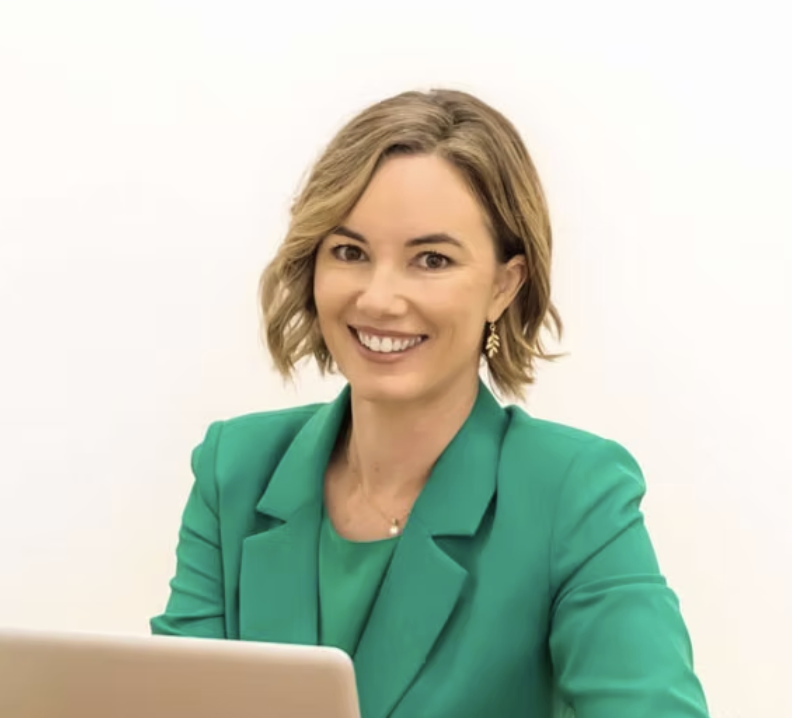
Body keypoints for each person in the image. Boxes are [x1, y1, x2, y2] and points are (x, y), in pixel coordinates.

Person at [150, 89, 710, 718]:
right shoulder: (234, 469)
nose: (379, 298)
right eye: (350, 252)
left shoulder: (574, 493)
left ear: (504, 284)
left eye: (432, 259)